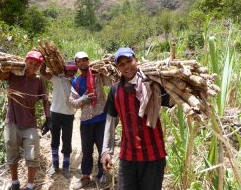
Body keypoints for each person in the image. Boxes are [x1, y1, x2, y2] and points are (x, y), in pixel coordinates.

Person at [101, 47, 171, 190]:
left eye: (129, 61)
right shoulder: (115, 90)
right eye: (121, 64)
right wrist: (106, 151)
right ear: (117, 68)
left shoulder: (153, 84)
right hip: (128, 156)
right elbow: (110, 122)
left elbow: (173, 101)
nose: (126, 66)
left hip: (153, 155)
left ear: (136, 61)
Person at [0, 50, 50, 190]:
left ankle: (30, 185)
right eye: (30, 63)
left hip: (30, 123)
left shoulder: (38, 81)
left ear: (40, 66)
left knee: (32, 155)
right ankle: (15, 183)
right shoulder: (13, 74)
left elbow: (45, 100)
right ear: (25, 61)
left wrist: (48, 119)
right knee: (11, 152)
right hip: (12, 121)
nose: (33, 66)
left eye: (36, 65)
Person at [69, 51, 107, 189]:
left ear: (88, 61)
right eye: (79, 61)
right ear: (76, 64)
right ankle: (86, 176)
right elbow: (72, 102)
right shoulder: (76, 81)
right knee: (87, 150)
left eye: (84, 60)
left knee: (103, 148)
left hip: (101, 118)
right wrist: (83, 99)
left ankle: (102, 174)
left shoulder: (98, 75)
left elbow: (111, 80)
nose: (82, 63)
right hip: (86, 121)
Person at [40, 61, 78, 179]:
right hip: (55, 113)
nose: (71, 73)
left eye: (73, 71)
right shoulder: (57, 78)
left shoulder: (76, 82)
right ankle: (55, 166)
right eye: (69, 70)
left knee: (67, 140)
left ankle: (66, 166)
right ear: (65, 70)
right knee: (55, 139)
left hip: (69, 115)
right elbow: (42, 73)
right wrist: (44, 61)